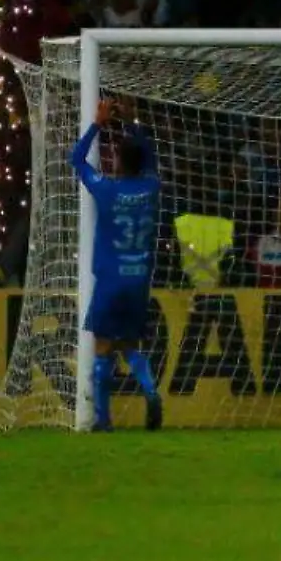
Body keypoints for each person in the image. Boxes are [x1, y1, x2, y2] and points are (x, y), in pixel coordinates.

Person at [69, 99, 163, 432]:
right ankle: (150, 391)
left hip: (110, 281)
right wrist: (130, 122)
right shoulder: (152, 187)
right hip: (139, 282)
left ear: (118, 160)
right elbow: (148, 153)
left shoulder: (106, 189)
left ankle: (103, 420)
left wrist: (98, 123)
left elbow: (76, 159)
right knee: (130, 345)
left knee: (104, 347)